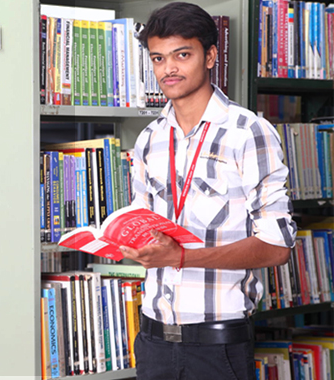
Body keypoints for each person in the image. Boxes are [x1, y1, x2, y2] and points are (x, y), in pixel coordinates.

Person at [119, 3, 295, 380]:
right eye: (158, 58)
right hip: (152, 342)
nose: (169, 69)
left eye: (182, 54)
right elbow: (145, 226)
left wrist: (180, 257)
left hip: (217, 347)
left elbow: (278, 248)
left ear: (210, 55)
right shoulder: (149, 139)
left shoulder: (249, 132)